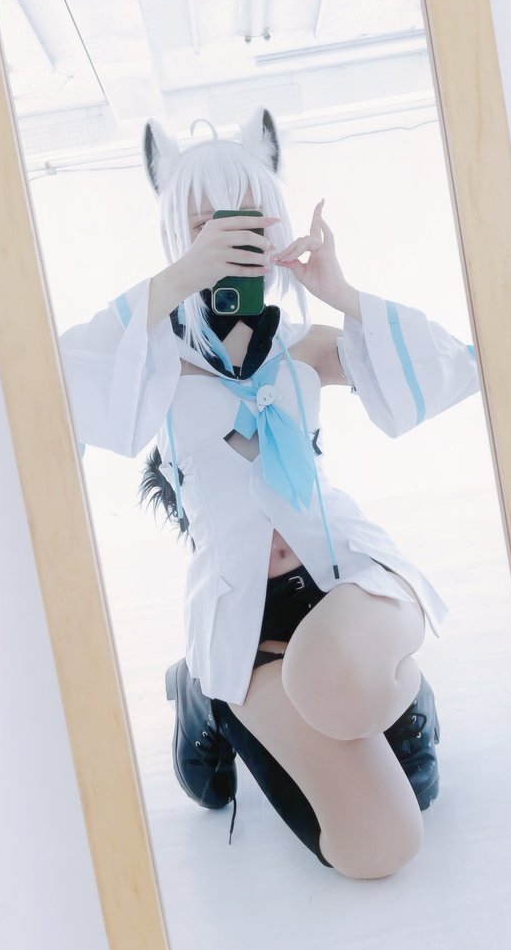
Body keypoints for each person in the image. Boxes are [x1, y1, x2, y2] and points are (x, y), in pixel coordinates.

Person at [59, 107, 480, 878]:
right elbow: (49, 385)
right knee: (381, 847)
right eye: (203, 225)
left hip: (343, 578)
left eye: (245, 219)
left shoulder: (301, 348)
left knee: (339, 684)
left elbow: (460, 366)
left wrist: (342, 293)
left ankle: (395, 693)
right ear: (175, 238)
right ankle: (206, 692)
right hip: (245, 618)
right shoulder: (148, 369)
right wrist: (178, 280)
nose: (226, 240)